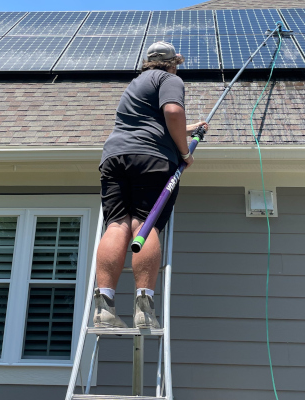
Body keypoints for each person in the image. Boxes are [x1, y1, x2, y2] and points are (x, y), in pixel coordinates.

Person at [94, 41, 209, 329]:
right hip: (151, 159)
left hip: (115, 157)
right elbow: (173, 112)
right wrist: (184, 152)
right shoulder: (169, 79)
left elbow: (154, 123)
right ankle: (144, 310)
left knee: (117, 225)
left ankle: (104, 308)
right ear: (173, 64)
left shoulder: (136, 84)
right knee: (145, 225)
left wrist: (191, 129)